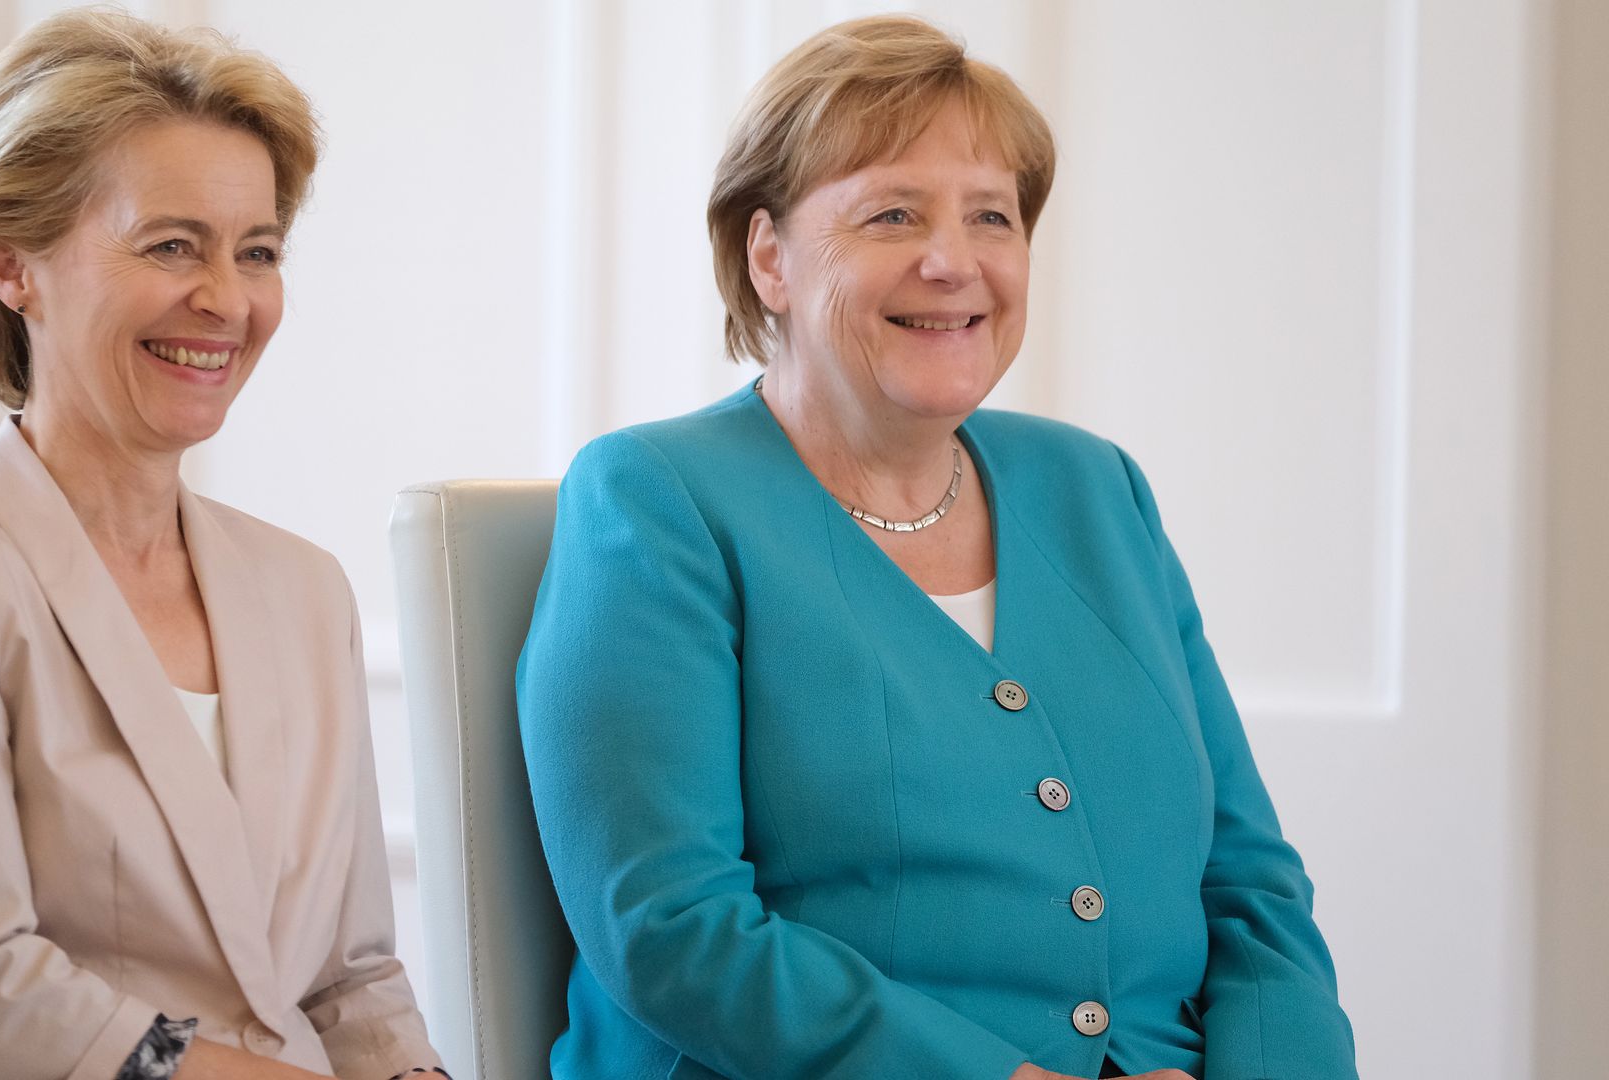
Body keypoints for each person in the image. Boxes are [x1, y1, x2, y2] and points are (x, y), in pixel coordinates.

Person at [517, 15, 1357, 1080]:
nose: (953, 262)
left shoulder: (1098, 489)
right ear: (767, 255)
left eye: (992, 217)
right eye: (893, 213)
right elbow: (670, 929)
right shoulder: (656, 500)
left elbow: (1250, 886)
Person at [0, 11, 443, 1079]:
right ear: (12, 268)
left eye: (258, 252)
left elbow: (354, 978)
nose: (227, 302)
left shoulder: (305, 590)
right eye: (170, 246)